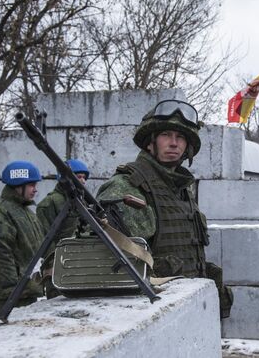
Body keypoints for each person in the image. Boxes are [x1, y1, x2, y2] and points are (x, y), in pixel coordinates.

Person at [96, 99, 233, 318]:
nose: (174, 143)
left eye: (180, 137)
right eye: (166, 135)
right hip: (149, 310)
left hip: (186, 306)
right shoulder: (128, 185)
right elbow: (113, 263)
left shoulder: (180, 189)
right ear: (150, 142)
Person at [0, 161, 44, 314]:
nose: (35, 190)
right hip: (14, 295)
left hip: (28, 289)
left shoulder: (26, 212)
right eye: (32, 185)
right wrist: (13, 290)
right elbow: (0, 255)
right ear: (18, 184)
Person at [36, 159, 90, 298]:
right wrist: (55, 266)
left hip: (81, 263)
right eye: (78, 177)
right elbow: (45, 240)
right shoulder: (49, 203)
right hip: (58, 267)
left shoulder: (82, 202)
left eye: (84, 177)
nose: (83, 181)